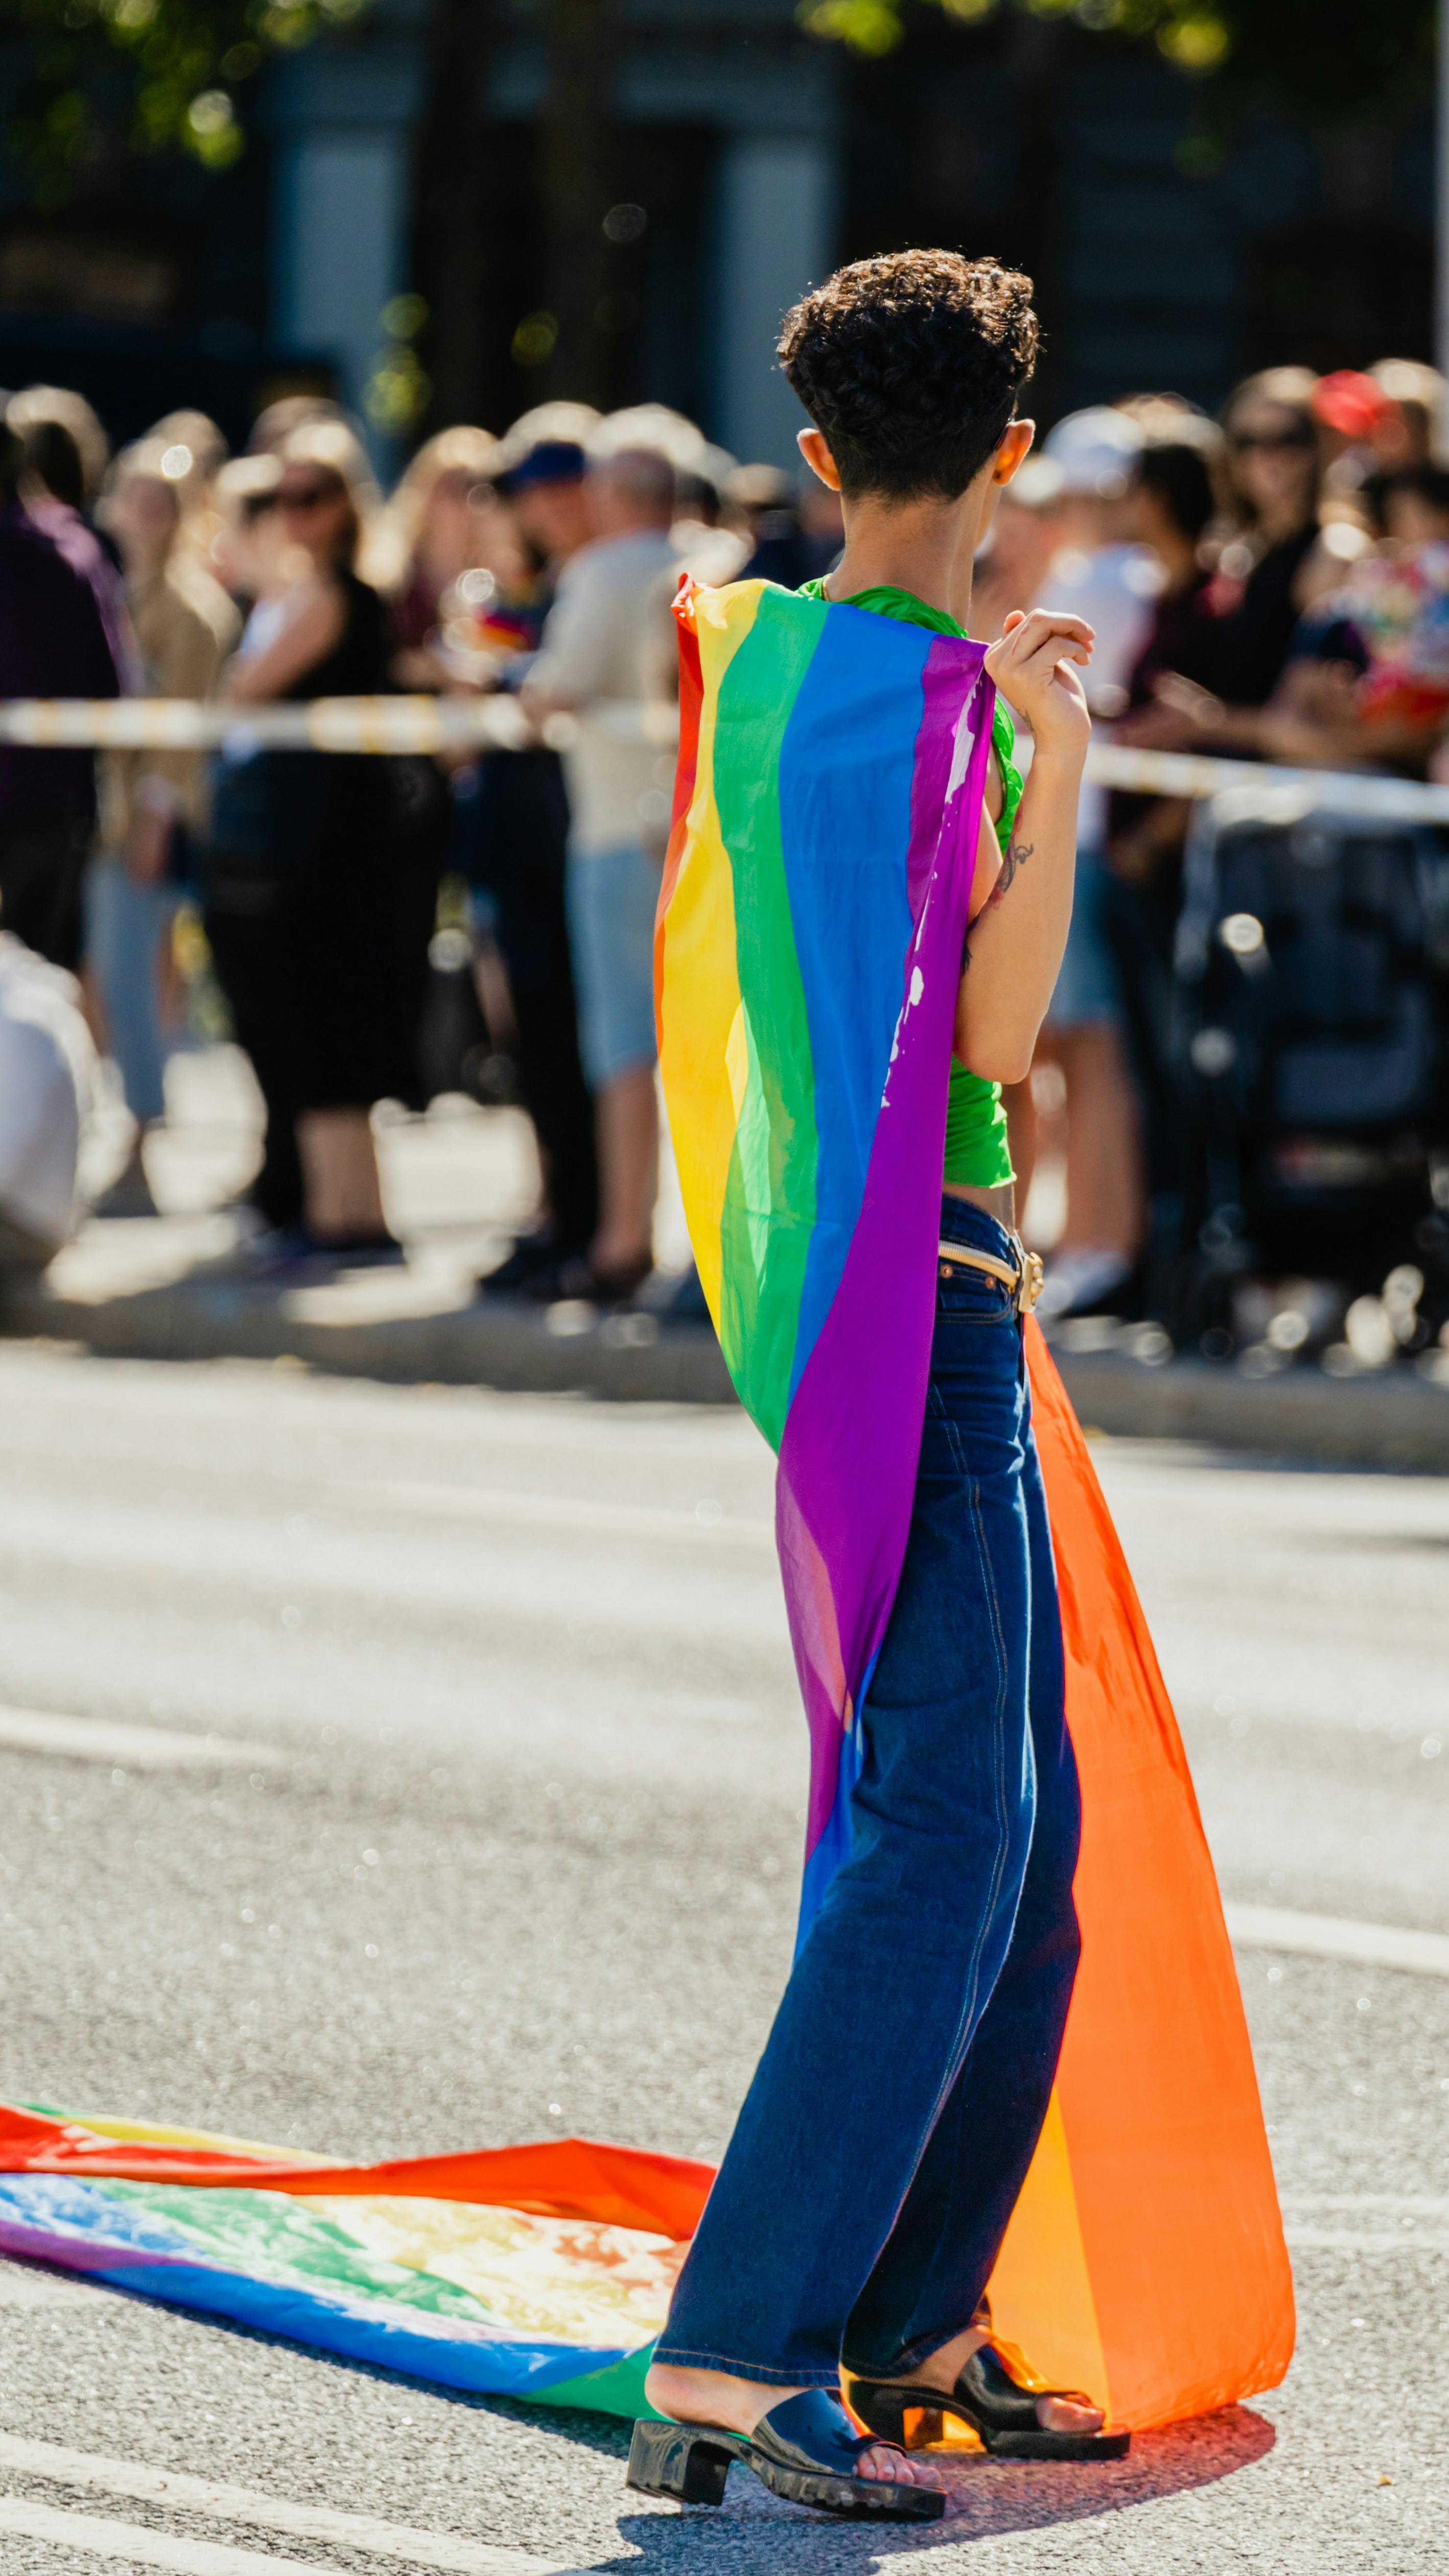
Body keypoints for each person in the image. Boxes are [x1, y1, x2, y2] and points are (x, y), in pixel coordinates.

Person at [638, 249, 1108, 2517]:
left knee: (1024, 1831)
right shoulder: (976, 708)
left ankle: (916, 2318)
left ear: (817, 456)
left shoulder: (761, 669)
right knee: (950, 1831)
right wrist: (1062, 768)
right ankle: (743, 2341)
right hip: (939, 1286)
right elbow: (998, 1046)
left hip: (849, 1283)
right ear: (1012, 454)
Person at [203, 427, 425, 1260]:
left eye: (308, 497)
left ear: (342, 505)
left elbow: (244, 688)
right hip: (313, 839)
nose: (291, 514)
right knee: (318, 1025)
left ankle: (347, 1216)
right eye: (279, 498)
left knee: (333, 1023)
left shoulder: (340, 594)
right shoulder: (303, 593)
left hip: (334, 845)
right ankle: (340, 1211)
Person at [522, 442, 680, 1302]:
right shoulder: (715, 560)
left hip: (619, 828)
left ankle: (625, 1237)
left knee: (623, 1048)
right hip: (696, 830)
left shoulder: (603, 571)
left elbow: (555, 686)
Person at [1011, 405, 1157, 1317]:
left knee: (1089, 1053)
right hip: (1084, 835)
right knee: (1073, 1051)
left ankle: (1102, 1238)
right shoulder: (1114, 576)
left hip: (1084, 839)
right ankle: (1088, 1236)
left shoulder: (1096, 581)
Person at [463, 431, 601, 1292]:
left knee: (581, 1040)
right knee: (532, 1039)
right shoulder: (530, 588)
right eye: (528, 492)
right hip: (515, 840)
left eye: (559, 486)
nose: (543, 505)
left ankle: (589, 1222)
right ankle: (555, 1212)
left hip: (576, 836)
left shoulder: (604, 580)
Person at [86, 440, 238, 1216]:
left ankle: (142, 1139)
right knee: (106, 980)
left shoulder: (191, 612)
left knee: (132, 980)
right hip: (103, 819)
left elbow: (179, 736)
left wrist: (153, 819)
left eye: (159, 502)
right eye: (134, 498)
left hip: (146, 826)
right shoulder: (117, 591)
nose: (142, 515)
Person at [0, 414, 125, 970]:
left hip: (45, 815)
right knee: (42, 981)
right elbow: (112, 682)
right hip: (58, 811)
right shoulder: (76, 554)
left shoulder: (69, 555)